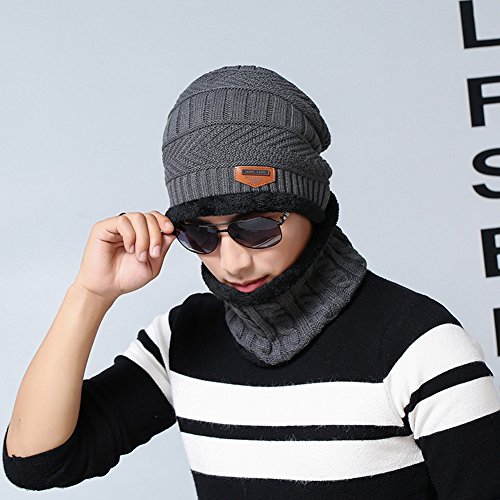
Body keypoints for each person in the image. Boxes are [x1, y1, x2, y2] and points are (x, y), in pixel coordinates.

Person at [3, 65, 500, 499]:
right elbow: (37, 463)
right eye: (201, 234)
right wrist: (90, 294)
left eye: (258, 227)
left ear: (313, 209)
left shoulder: (420, 345)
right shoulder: (183, 338)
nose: (234, 262)